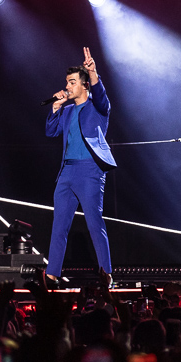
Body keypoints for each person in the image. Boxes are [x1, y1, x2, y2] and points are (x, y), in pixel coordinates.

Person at [44, 47, 117, 287]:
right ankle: (51, 275)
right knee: (59, 225)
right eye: (67, 82)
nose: (68, 86)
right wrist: (55, 108)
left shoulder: (97, 107)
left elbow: (102, 96)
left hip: (89, 171)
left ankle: (106, 274)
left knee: (94, 222)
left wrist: (93, 73)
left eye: (72, 82)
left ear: (84, 85)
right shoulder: (65, 111)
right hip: (66, 172)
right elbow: (51, 131)